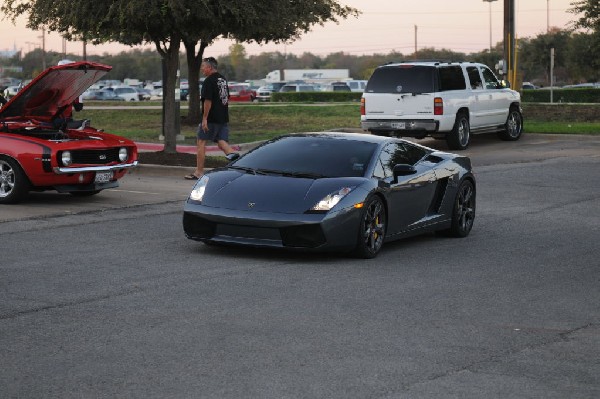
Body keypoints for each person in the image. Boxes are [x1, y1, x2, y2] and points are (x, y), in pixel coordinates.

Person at [184, 57, 239, 180]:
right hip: (223, 116)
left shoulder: (209, 81)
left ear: (209, 67)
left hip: (211, 118)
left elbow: (207, 101)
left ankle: (198, 172)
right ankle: (236, 158)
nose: (202, 69)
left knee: (201, 142)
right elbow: (225, 97)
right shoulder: (223, 79)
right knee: (221, 141)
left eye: (203, 67)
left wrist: (205, 118)